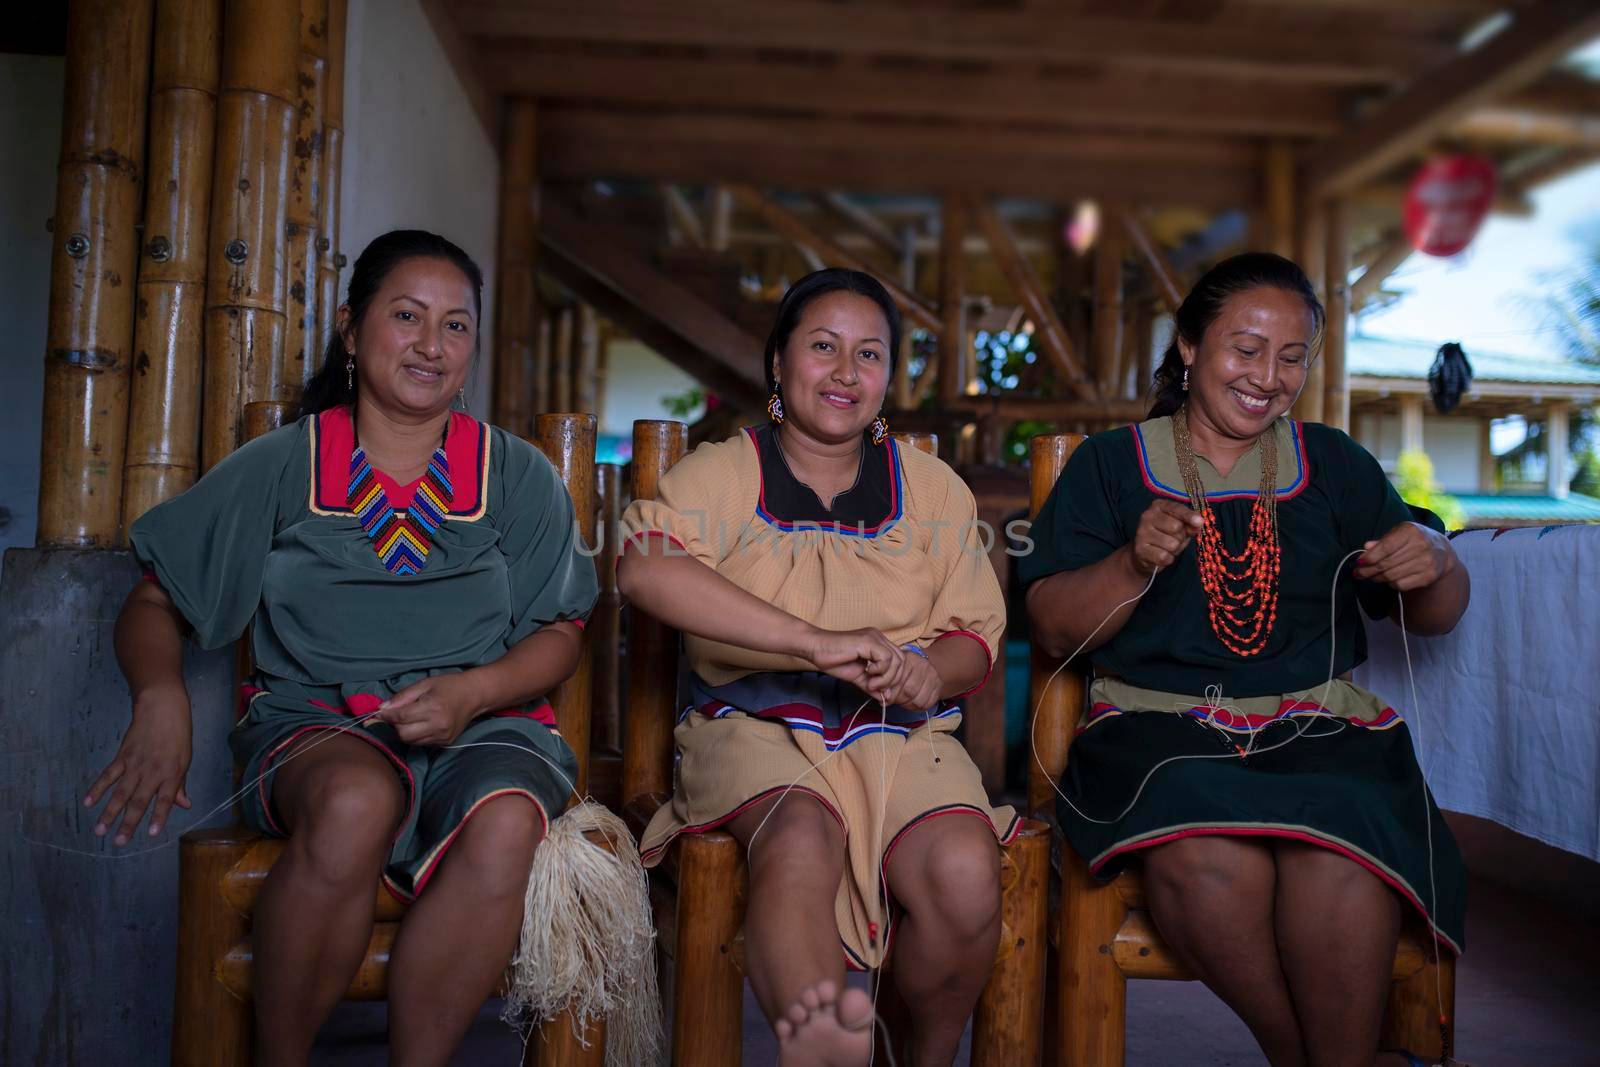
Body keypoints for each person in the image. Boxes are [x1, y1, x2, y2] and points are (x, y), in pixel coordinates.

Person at [85, 230, 602, 1067]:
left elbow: (561, 634)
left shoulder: (517, 475)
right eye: (406, 316)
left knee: (509, 820)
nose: (432, 344)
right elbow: (154, 599)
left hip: (489, 725)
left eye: (456, 325)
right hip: (314, 723)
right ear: (352, 330)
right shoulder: (283, 465)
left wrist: (472, 693)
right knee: (358, 801)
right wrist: (161, 694)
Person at [1023, 252, 1469, 1067]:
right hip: (1155, 734)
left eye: (1292, 355)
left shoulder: (1333, 463)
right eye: (1246, 348)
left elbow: (1435, 617)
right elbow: (1052, 630)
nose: (1269, 375)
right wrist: (1131, 562)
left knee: (1343, 853)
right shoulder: (1110, 466)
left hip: (1318, 732)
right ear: (1190, 345)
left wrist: (1435, 562)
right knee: (1205, 852)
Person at [619, 268, 1016, 1067]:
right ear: (777, 361)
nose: (845, 372)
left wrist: (925, 673)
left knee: (966, 870)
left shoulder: (933, 488)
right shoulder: (726, 473)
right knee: (801, 837)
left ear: (888, 377)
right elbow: (643, 568)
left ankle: (914, 1058)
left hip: (901, 733)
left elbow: (973, 633)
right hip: (754, 727)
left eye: (868, 354)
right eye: (823, 347)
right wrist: (811, 641)